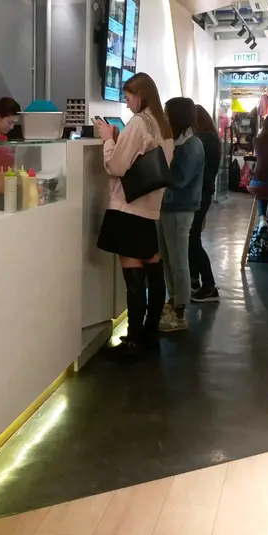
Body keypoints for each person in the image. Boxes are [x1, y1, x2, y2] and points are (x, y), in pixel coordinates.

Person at [95, 72, 174, 362]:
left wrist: (108, 140)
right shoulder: (163, 125)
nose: (127, 104)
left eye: (128, 98)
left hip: (127, 207)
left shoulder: (139, 123)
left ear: (140, 95)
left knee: (133, 276)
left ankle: (134, 340)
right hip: (150, 208)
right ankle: (149, 333)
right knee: (153, 268)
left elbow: (116, 166)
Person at [157, 98, 204, 332]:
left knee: (178, 262)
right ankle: (173, 301)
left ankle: (180, 312)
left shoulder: (192, 145)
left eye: (167, 113)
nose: (164, 118)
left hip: (180, 209)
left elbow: (179, 180)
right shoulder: (178, 142)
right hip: (167, 208)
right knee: (168, 259)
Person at [189, 105, 221, 304]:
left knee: (192, 239)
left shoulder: (203, 141)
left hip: (199, 195)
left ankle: (209, 285)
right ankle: (195, 280)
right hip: (203, 194)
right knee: (193, 238)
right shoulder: (210, 138)